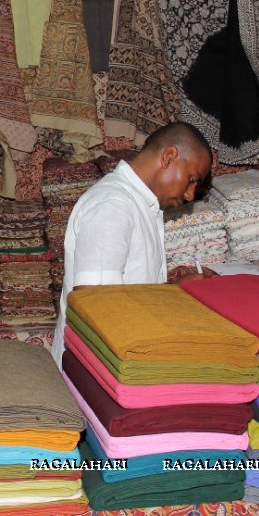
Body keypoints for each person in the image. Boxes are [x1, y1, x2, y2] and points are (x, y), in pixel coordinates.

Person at [51, 122, 213, 367]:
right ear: (169, 156)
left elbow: (129, 294)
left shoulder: (141, 204)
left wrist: (175, 292)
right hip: (95, 372)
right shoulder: (113, 206)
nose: (190, 194)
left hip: (119, 360)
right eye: (191, 179)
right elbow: (97, 308)